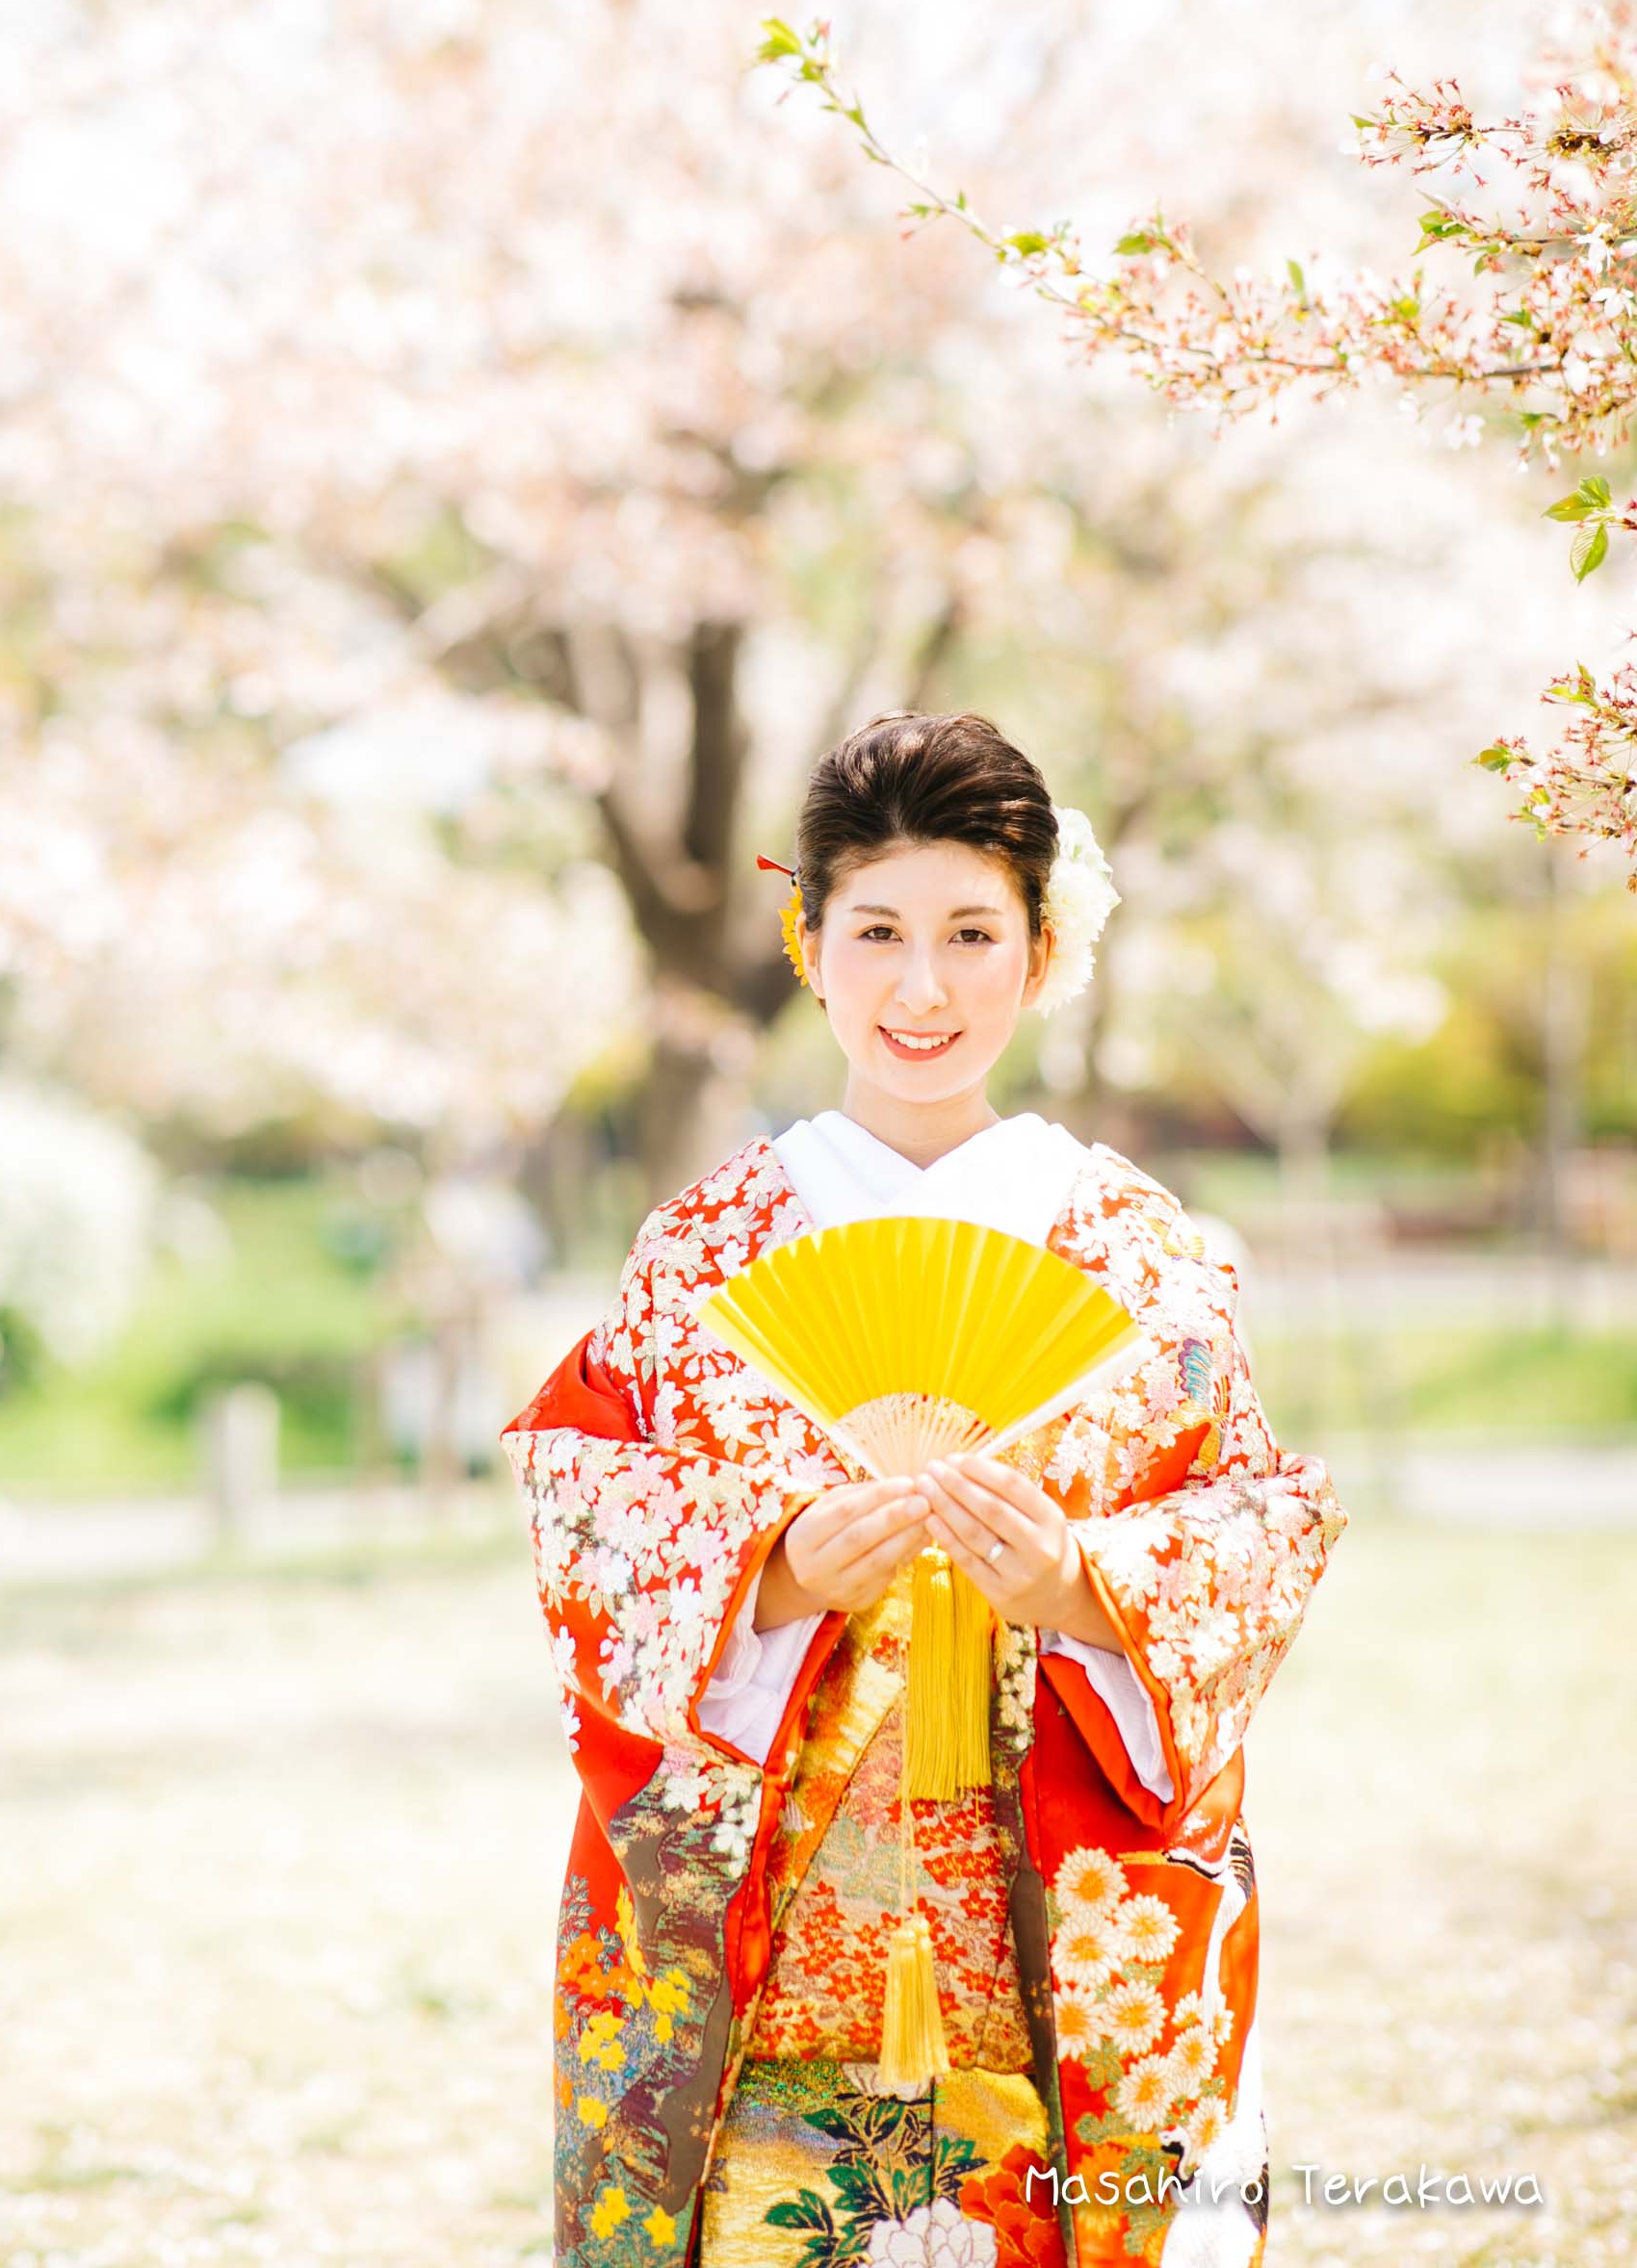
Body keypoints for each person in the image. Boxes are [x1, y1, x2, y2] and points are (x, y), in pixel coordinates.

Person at [503, 712, 1346, 2268]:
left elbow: (1258, 1518)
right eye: (877, 931)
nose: (922, 986)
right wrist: (765, 1573)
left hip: (1057, 1978)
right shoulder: (705, 1252)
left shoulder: (1139, 1252)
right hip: (779, 2007)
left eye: (972, 932)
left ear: (1041, 951)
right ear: (807, 946)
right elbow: (585, 1504)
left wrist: (1085, 1587)